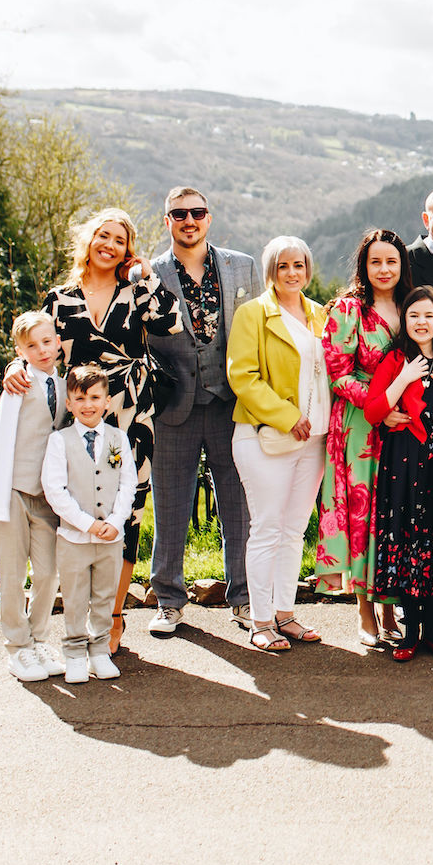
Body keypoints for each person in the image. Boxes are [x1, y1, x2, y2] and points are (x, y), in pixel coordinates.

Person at [8, 206, 186, 656]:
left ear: (128, 250)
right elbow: (35, 349)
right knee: (79, 509)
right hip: (79, 417)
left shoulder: (134, 290)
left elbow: (171, 322)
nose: (110, 245)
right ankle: (76, 617)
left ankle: (113, 615)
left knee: (125, 510)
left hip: (131, 416)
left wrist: (144, 276)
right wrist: (14, 365)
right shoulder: (60, 298)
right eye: (103, 236)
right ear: (89, 240)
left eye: (120, 240)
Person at [146, 186, 261, 638]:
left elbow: (257, 332)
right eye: (179, 214)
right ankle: (169, 601)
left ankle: (244, 598)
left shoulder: (241, 265)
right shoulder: (148, 273)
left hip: (232, 403)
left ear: (209, 217)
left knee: (239, 507)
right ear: (167, 221)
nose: (188, 220)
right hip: (172, 405)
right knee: (170, 505)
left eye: (196, 212)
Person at [226, 237, 331, 653]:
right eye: (283, 265)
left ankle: (286, 614)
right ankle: (260, 620)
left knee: (294, 529)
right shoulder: (253, 314)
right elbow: (243, 376)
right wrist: (288, 418)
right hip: (267, 437)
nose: (292, 272)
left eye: (299, 265)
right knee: (266, 528)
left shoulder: (320, 315)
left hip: (316, 438)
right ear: (271, 270)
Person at [365, 286, 433, 663]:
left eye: (429, 315)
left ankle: (432, 631)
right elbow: (373, 410)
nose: (421, 322)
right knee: (409, 540)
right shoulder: (395, 359)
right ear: (405, 321)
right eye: (414, 316)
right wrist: (403, 378)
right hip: (404, 464)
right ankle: (409, 633)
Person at [315, 229, 413, 647]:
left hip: (404, 426)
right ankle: (365, 611)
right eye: (376, 262)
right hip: (360, 424)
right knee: (363, 513)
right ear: (364, 266)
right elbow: (338, 372)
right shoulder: (348, 309)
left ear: (402, 265)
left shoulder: (413, 306)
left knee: (393, 513)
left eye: (392, 261)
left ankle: (392, 606)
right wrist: (380, 406)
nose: (385, 269)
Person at [0, 312, 69, 682]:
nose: (41, 350)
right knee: (12, 575)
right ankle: (17, 648)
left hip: (47, 496)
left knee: (49, 573)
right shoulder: (17, 382)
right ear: (20, 351)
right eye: (31, 346)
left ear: (58, 343)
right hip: (13, 490)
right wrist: (15, 366)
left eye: (47, 342)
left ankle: (37, 640)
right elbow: (0, 437)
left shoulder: (67, 387)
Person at [41, 364, 136, 684]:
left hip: (110, 537)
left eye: (95, 397)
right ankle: (75, 655)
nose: (88, 404)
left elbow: (128, 485)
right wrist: (86, 524)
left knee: (104, 598)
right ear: (69, 403)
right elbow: (54, 489)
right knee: (76, 599)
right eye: (80, 398)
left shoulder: (118, 439)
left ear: (107, 401)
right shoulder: (59, 441)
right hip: (73, 538)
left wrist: (114, 521)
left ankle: (99, 653)